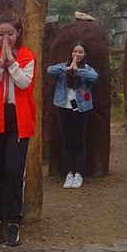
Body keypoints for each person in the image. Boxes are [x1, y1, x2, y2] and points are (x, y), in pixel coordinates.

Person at [0, 13, 37, 247]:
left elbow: (25, 83)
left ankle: (13, 221)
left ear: (19, 33)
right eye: (1, 34)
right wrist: (0, 64)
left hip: (19, 118)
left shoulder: (27, 57)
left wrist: (11, 63)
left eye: (10, 34)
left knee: (14, 171)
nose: (5, 39)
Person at [47, 41, 99, 189]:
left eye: (80, 52)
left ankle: (79, 173)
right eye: (75, 51)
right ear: (71, 53)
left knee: (79, 140)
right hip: (63, 107)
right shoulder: (63, 68)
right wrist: (68, 69)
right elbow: (50, 70)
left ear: (85, 54)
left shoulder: (87, 70)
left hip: (81, 109)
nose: (77, 54)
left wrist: (77, 70)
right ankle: (69, 173)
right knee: (67, 140)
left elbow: (94, 77)